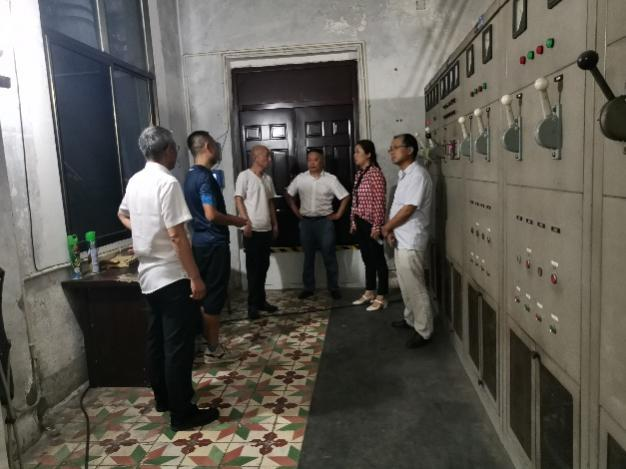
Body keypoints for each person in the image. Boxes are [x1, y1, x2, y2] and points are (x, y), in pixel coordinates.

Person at [117, 126, 218, 431]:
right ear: (167, 150)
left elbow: (122, 214)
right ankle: (182, 413)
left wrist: (144, 232)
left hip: (148, 277)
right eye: (175, 147)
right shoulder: (167, 182)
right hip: (172, 276)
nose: (176, 152)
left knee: (157, 341)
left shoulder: (136, 181)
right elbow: (177, 236)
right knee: (178, 347)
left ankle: (163, 399)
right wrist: (195, 277)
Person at [184, 130, 247, 362]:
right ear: (208, 146)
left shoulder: (189, 176)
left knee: (201, 296)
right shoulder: (204, 178)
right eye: (216, 144)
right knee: (213, 298)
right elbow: (211, 214)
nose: (219, 148)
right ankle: (213, 349)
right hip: (213, 243)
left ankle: (203, 344)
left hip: (199, 243)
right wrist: (237, 220)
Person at [382, 133, 434, 348]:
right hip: (401, 239)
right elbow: (399, 207)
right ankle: (411, 319)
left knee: (416, 288)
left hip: (412, 241)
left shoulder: (418, 175)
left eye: (395, 147)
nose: (391, 151)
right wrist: (391, 230)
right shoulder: (404, 175)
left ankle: (424, 331)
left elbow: (409, 209)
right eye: (390, 148)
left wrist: (387, 227)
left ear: (410, 150)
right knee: (405, 285)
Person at [285, 149, 350, 300]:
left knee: (329, 255)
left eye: (315, 160)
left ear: (322, 161)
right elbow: (288, 195)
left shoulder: (331, 179)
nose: (312, 163)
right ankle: (308, 288)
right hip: (306, 223)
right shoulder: (301, 178)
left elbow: (345, 197)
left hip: (324, 223)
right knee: (308, 256)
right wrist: (296, 212)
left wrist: (338, 215)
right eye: (309, 160)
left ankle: (333, 288)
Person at [234, 145, 279, 320]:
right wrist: (245, 222)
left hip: (266, 229)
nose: (269, 159)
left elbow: (270, 203)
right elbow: (238, 199)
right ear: (256, 157)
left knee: (263, 267)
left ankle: (261, 301)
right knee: (253, 269)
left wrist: (275, 224)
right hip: (251, 230)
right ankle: (252, 305)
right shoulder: (244, 176)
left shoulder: (267, 179)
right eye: (266, 156)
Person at [350, 140, 388, 311]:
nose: (355, 155)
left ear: (369, 154)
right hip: (360, 221)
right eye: (355, 152)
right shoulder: (359, 174)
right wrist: (353, 220)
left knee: (378, 260)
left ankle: (382, 295)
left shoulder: (375, 174)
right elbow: (355, 200)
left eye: (358, 152)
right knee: (367, 258)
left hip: (372, 223)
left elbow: (380, 203)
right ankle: (370, 291)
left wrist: (377, 226)